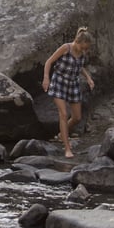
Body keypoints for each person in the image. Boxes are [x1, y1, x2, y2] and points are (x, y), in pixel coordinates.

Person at [42, 27, 95, 158]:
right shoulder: (66, 48)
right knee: (64, 114)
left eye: (86, 49)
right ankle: (67, 148)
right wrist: (46, 78)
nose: (84, 51)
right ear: (77, 41)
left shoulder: (82, 53)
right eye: (83, 47)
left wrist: (88, 78)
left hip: (73, 84)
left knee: (77, 117)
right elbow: (49, 62)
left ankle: (62, 134)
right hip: (59, 82)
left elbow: (79, 67)